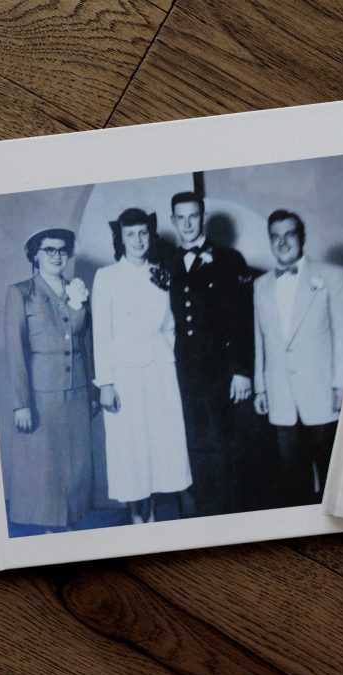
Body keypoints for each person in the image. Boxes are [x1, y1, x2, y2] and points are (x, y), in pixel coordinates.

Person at [252, 210, 343, 505]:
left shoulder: (333, 276)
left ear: (302, 238)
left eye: (289, 234)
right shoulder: (260, 286)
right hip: (281, 397)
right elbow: (259, 339)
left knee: (333, 477)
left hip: (323, 394)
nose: (282, 242)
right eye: (275, 236)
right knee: (291, 481)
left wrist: (342, 386)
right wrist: (260, 387)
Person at [91, 208, 192, 524]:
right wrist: (106, 383)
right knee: (131, 450)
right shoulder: (106, 277)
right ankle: (138, 522)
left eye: (143, 233)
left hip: (161, 373)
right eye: (130, 234)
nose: (137, 240)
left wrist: (166, 355)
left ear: (151, 234)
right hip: (125, 378)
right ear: (121, 239)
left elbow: (171, 326)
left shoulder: (161, 271)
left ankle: (158, 525)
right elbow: (101, 333)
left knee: (163, 447)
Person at [167, 192, 253, 517]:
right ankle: (207, 520)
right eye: (181, 218)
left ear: (202, 217)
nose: (187, 224)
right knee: (196, 446)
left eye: (193, 216)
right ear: (172, 220)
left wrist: (242, 370)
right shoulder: (168, 262)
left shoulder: (230, 259)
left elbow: (243, 320)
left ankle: (232, 521)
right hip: (184, 374)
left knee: (224, 446)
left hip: (221, 372)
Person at [4, 228, 94, 532]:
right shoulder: (20, 293)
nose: (57, 256)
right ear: (35, 256)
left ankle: (70, 531)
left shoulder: (77, 290)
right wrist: (21, 405)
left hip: (78, 392)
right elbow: (16, 352)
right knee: (48, 468)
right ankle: (50, 533)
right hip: (43, 395)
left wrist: (93, 389)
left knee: (77, 466)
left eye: (62, 250)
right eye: (49, 250)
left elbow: (87, 344)